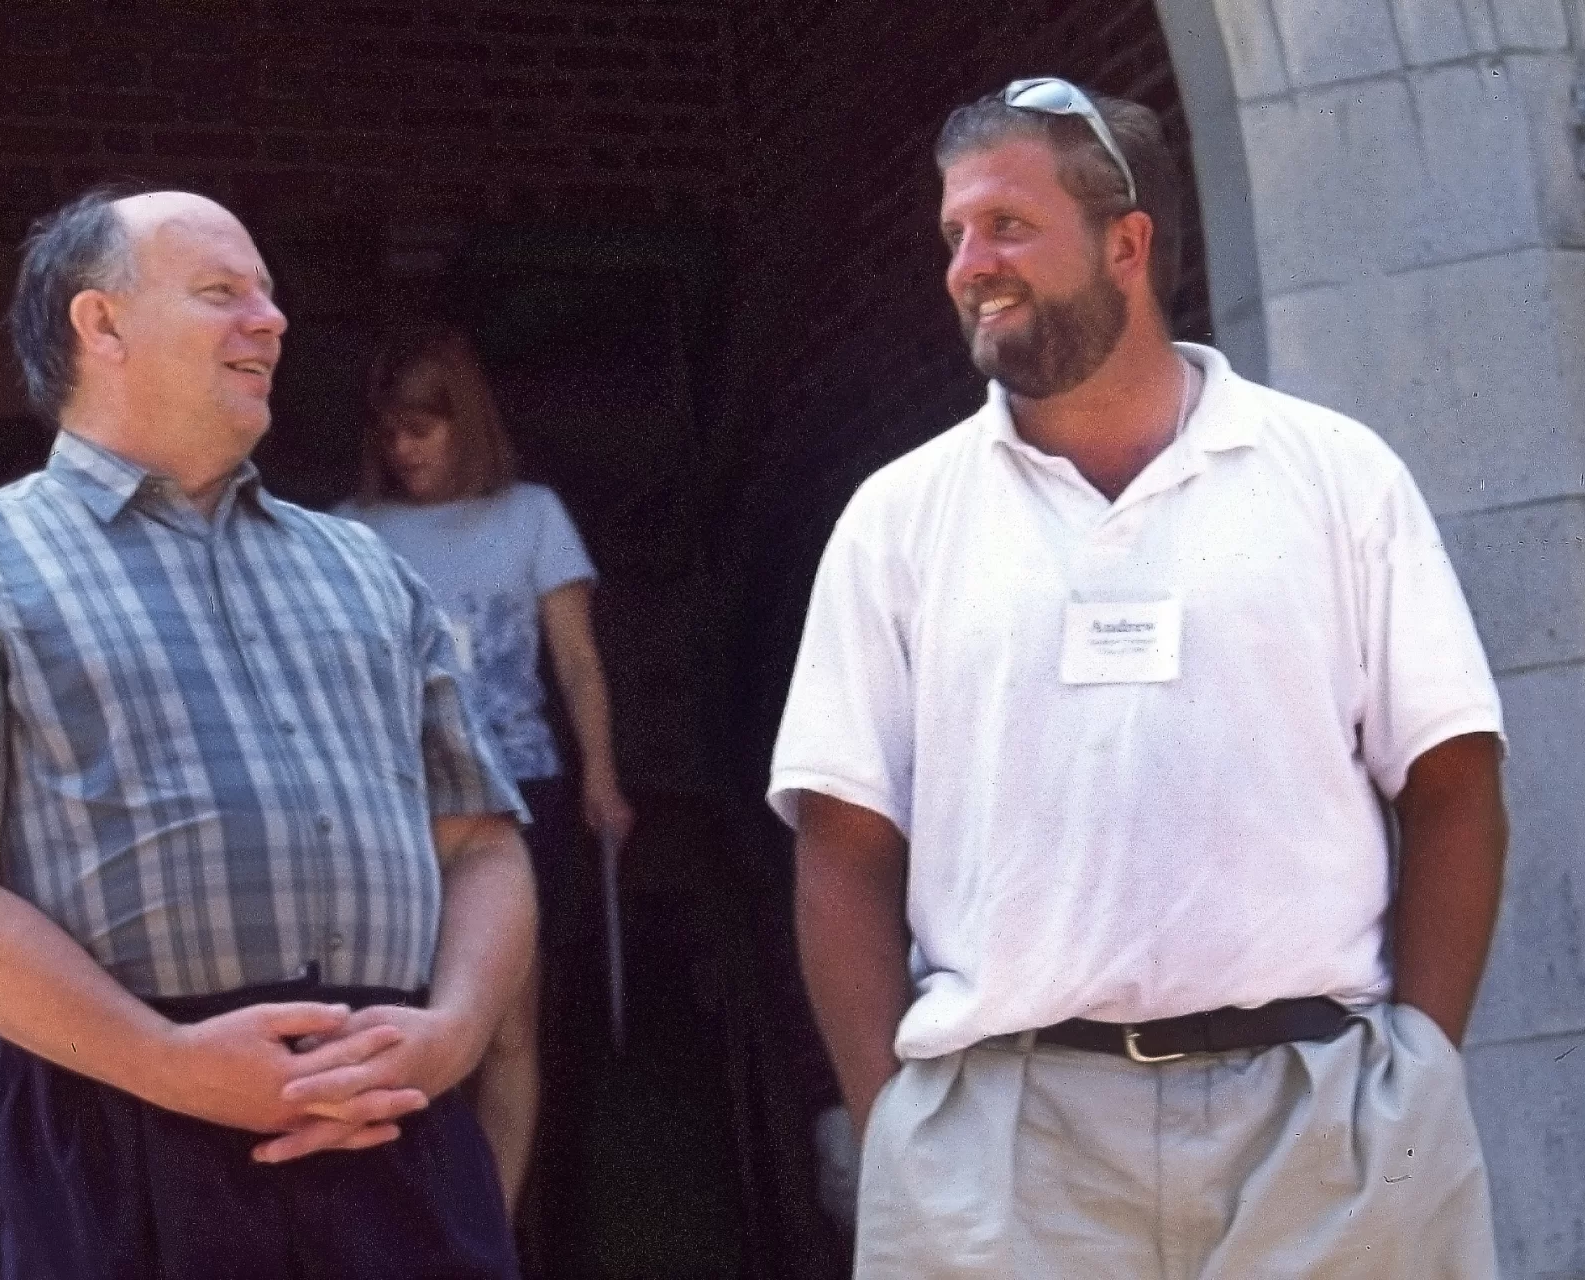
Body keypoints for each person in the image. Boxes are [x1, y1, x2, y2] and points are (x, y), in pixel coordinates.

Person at [771, 80, 1509, 1277]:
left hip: (1321, 1134)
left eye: (1005, 226)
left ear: (1126, 242)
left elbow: (1452, 780)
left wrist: (1415, 1073)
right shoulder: (896, 519)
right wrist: (896, 1131)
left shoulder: (1336, 475)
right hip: (1003, 1157)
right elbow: (843, 841)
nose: (969, 263)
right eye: (954, 234)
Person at [0, 187, 536, 1280]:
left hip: (394, 1105)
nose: (269, 320)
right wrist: (169, 1061)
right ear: (101, 324)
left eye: (267, 295)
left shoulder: (367, 567)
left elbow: (485, 843)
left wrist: (448, 1032)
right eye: (223, 292)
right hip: (122, 1121)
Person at [334, 326, 634, 1244]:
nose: (403, 448)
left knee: (507, 1029)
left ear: (466, 422)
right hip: (395, 811)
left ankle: (484, 1236)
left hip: (523, 796)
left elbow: (575, 664)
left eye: (422, 427)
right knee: (415, 1029)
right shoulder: (350, 529)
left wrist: (602, 779)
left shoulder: (532, 514)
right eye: (390, 430)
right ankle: (415, 1228)